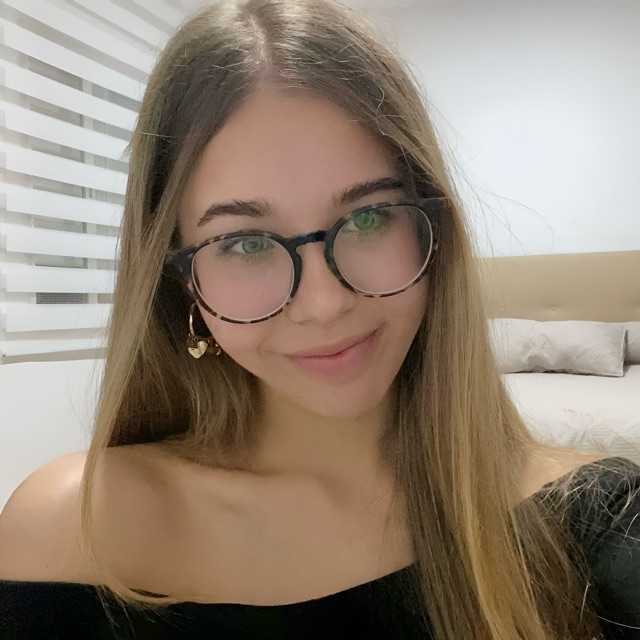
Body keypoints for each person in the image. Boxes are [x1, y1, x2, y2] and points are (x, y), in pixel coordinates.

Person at [1, 1, 639, 638]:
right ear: (181, 283)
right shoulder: (75, 531)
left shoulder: (602, 523)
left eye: (368, 217)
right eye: (246, 243)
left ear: (433, 232)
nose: (325, 303)